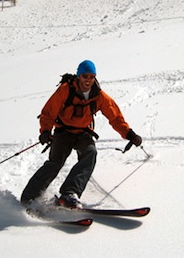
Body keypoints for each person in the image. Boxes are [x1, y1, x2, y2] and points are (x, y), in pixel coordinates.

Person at [21, 60, 142, 209]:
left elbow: (115, 116)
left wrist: (129, 133)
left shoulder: (99, 95)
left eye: (92, 76)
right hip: (63, 132)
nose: (88, 80)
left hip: (83, 133)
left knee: (90, 153)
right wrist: (45, 131)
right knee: (55, 163)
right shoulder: (65, 90)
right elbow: (48, 112)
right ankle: (29, 197)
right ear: (79, 76)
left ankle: (69, 193)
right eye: (85, 76)